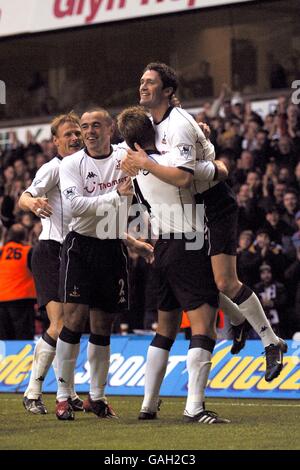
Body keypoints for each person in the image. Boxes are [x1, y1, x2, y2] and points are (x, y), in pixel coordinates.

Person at [126, 62, 287, 382]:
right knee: (200, 277)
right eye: (141, 81)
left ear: (168, 91)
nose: (143, 86)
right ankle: (238, 320)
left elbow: (184, 178)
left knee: (225, 281)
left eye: (150, 82)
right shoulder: (155, 123)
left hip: (214, 205)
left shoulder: (179, 123)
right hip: (191, 210)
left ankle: (272, 341)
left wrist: (147, 163)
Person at [118, 105, 230, 424]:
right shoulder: (167, 163)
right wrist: (202, 142)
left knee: (164, 329)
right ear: (153, 131)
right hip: (187, 243)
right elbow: (209, 172)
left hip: (161, 246)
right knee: (204, 325)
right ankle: (195, 406)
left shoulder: (134, 168)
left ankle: (148, 404)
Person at [55, 107, 154, 421]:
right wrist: (115, 196)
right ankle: (62, 395)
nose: (89, 131)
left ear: (111, 128)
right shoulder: (71, 164)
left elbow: (156, 151)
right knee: (73, 319)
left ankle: (96, 397)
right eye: (84, 126)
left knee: (102, 326)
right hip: (80, 248)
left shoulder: (125, 156)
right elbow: (74, 208)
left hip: (113, 247)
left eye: (96, 125)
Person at [19, 112, 84, 415]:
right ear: (56, 141)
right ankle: (33, 391)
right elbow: (26, 196)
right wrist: (32, 202)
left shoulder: (86, 170)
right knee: (59, 324)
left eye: (77, 133)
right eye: (68, 134)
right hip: (51, 251)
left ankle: (67, 391)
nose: (74, 138)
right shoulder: (53, 168)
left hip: (78, 254)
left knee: (73, 326)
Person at [0, 224, 36, 340]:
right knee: (23, 337)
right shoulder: (29, 251)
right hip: (22, 300)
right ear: (24, 237)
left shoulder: (1, 252)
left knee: (5, 339)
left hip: (2, 300)